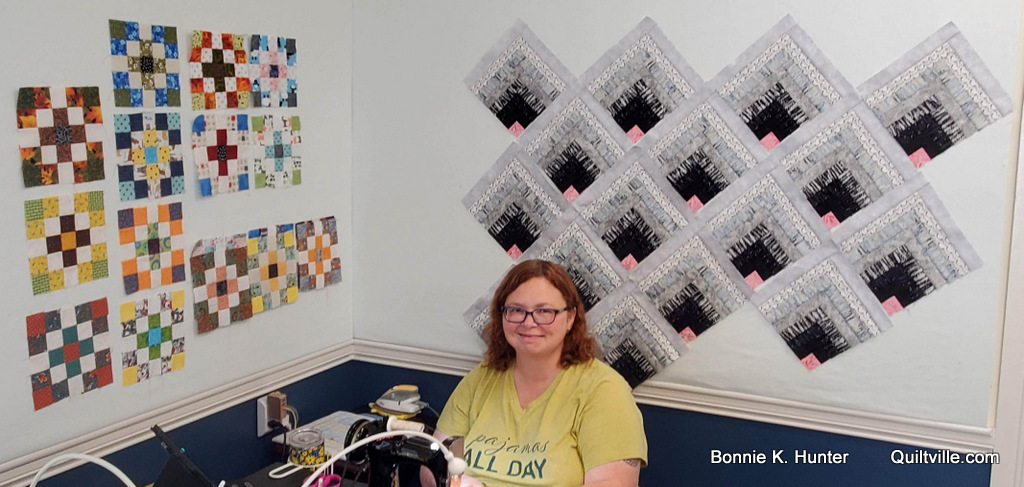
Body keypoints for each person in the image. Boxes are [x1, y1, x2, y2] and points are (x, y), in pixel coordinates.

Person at [424, 259, 647, 487]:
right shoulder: (482, 378)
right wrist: (453, 481)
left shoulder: (605, 390)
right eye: (516, 310)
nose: (529, 322)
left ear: (570, 318)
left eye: (544, 311)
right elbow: (433, 465)